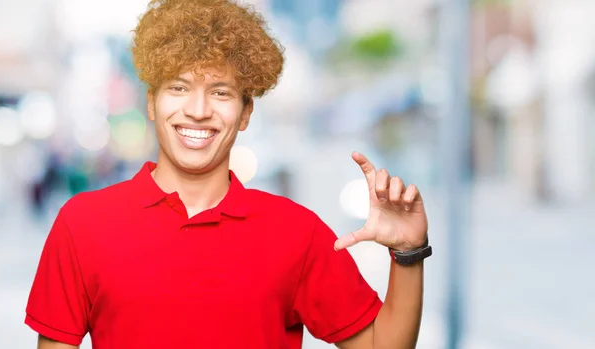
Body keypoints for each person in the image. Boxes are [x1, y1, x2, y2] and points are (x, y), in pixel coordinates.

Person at [25, 0, 432, 348]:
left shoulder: (297, 233)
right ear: (151, 103)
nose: (198, 110)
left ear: (245, 113)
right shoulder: (82, 225)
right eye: (179, 88)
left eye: (219, 91)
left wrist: (409, 253)